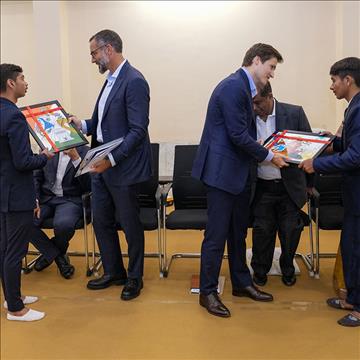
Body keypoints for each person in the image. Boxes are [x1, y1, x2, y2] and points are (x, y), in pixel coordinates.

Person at [192, 43, 288, 318]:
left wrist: (257, 146)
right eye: (271, 67)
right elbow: (236, 135)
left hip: (237, 172)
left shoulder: (243, 88)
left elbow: (236, 133)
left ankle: (242, 283)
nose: (272, 74)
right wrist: (269, 154)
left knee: (237, 233)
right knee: (216, 235)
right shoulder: (234, 86)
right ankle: (208, 292)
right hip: (222, 174)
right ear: (256, 61)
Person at [70, 29, 152, 300]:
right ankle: (114, 271)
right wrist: (80, 124)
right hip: (100, 164)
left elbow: (138, 131)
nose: (93, 59)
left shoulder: (135, 80)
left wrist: (112, 160)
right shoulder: (109, 81)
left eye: (94, 52)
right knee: (102, 220)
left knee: (130, 224)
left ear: (108, 49)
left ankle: (135, 277)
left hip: (122, 167)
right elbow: (101, 124)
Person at [300, 57, 360, 327]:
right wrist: (328, 141)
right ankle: (352, 298)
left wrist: (316, 163)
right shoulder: (353, 108)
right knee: (350, 248)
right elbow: (347, 146)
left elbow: (355, 156)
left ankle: (358, 308)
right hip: (353, 195)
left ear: (348, 80)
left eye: (334, 80)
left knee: (357, 249)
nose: (331, 86)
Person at [0, 63, 59, 321]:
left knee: (5, 249)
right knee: (15, 251)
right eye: (22, 78)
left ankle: (12, 296)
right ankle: (15, 308)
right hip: (16, 194)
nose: (26, 82)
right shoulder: (14, 116)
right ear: (11, 83)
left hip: (4, 192)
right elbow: (23, 162)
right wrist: (44, 156)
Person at [251, 82, 312, 287]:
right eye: (251, 104)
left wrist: (309, 185)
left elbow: (310, 151)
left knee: (290, 231)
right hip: (261, 186)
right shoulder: (247, 117)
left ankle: (287, 267)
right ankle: (260, 270)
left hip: (289, 186)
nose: (255, 108)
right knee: (262, 231)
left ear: (270, 96)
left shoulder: (294, 113)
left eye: (258, 103)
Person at [32, 146, 91, 279]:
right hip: (45, 199)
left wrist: (76, 159)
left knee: (64, 224)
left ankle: (50, 253)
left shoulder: (85, 152)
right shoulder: (47, 148)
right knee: (25, 221)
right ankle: (57, 256)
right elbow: (36, 177)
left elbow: (90, 185)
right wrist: (34, 199)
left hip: (70, 199)